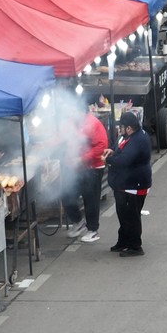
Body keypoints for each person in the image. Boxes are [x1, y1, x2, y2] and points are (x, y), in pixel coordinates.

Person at [102, 112, 151, 257]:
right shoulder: (129, 137)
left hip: (134, 186)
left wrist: (108, 161)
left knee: (131, 216)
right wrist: (112, 152)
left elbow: (124, 160)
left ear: (129, 128)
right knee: (123, 214)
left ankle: (135, 246)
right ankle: (123, 240)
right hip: (124, 185)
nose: (119, 129)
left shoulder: (138, 140)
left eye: (121, 127)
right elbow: (120, 150)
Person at [61, 103, 108, 243]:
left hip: (93, 168)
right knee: (66, 195)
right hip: (75, 168)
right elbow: (61, 137)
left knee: (91, 199)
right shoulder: (71, 122)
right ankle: (78, 221)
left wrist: (82, 158)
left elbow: (102, 146)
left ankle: (93, 229)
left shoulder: (93, 123)